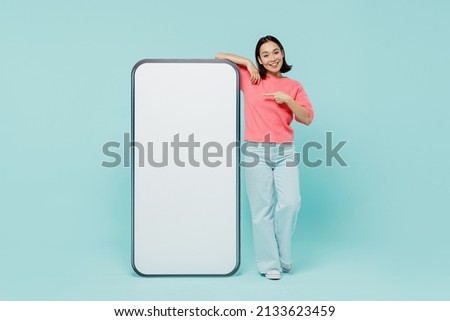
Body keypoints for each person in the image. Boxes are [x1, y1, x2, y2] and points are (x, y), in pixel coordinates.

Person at [216, 35, 314, 280]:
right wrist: (247, 63)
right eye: (266, 55)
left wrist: (289, 101)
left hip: (284, 151)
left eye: (276, 52)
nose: (273, 58)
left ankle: (282, 255)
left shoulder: (294, 86)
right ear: (260, 59)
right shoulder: (251, 79)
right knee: (262, 211)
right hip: (255, 150)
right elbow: (218, 57)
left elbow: (307, 118)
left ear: (283, 53)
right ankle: (270, 264)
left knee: (291, 202)